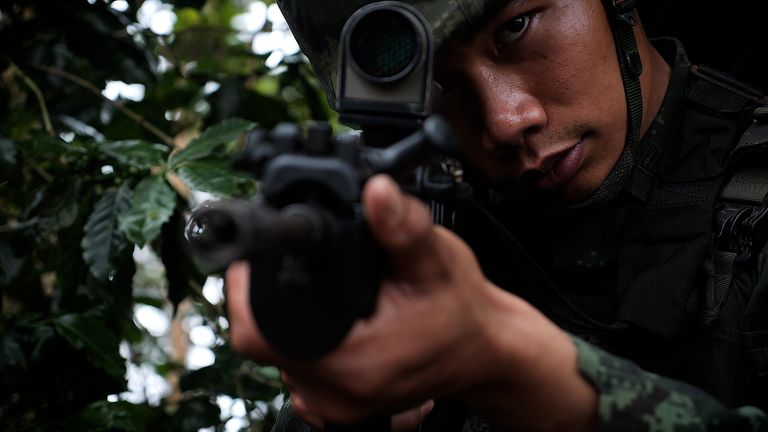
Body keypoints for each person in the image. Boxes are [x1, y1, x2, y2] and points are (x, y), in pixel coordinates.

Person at [225, 0, 768, 430]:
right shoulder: (429, 235)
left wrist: (500, 361)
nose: (507, 121)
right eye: (439, 84)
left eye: (515, 28)